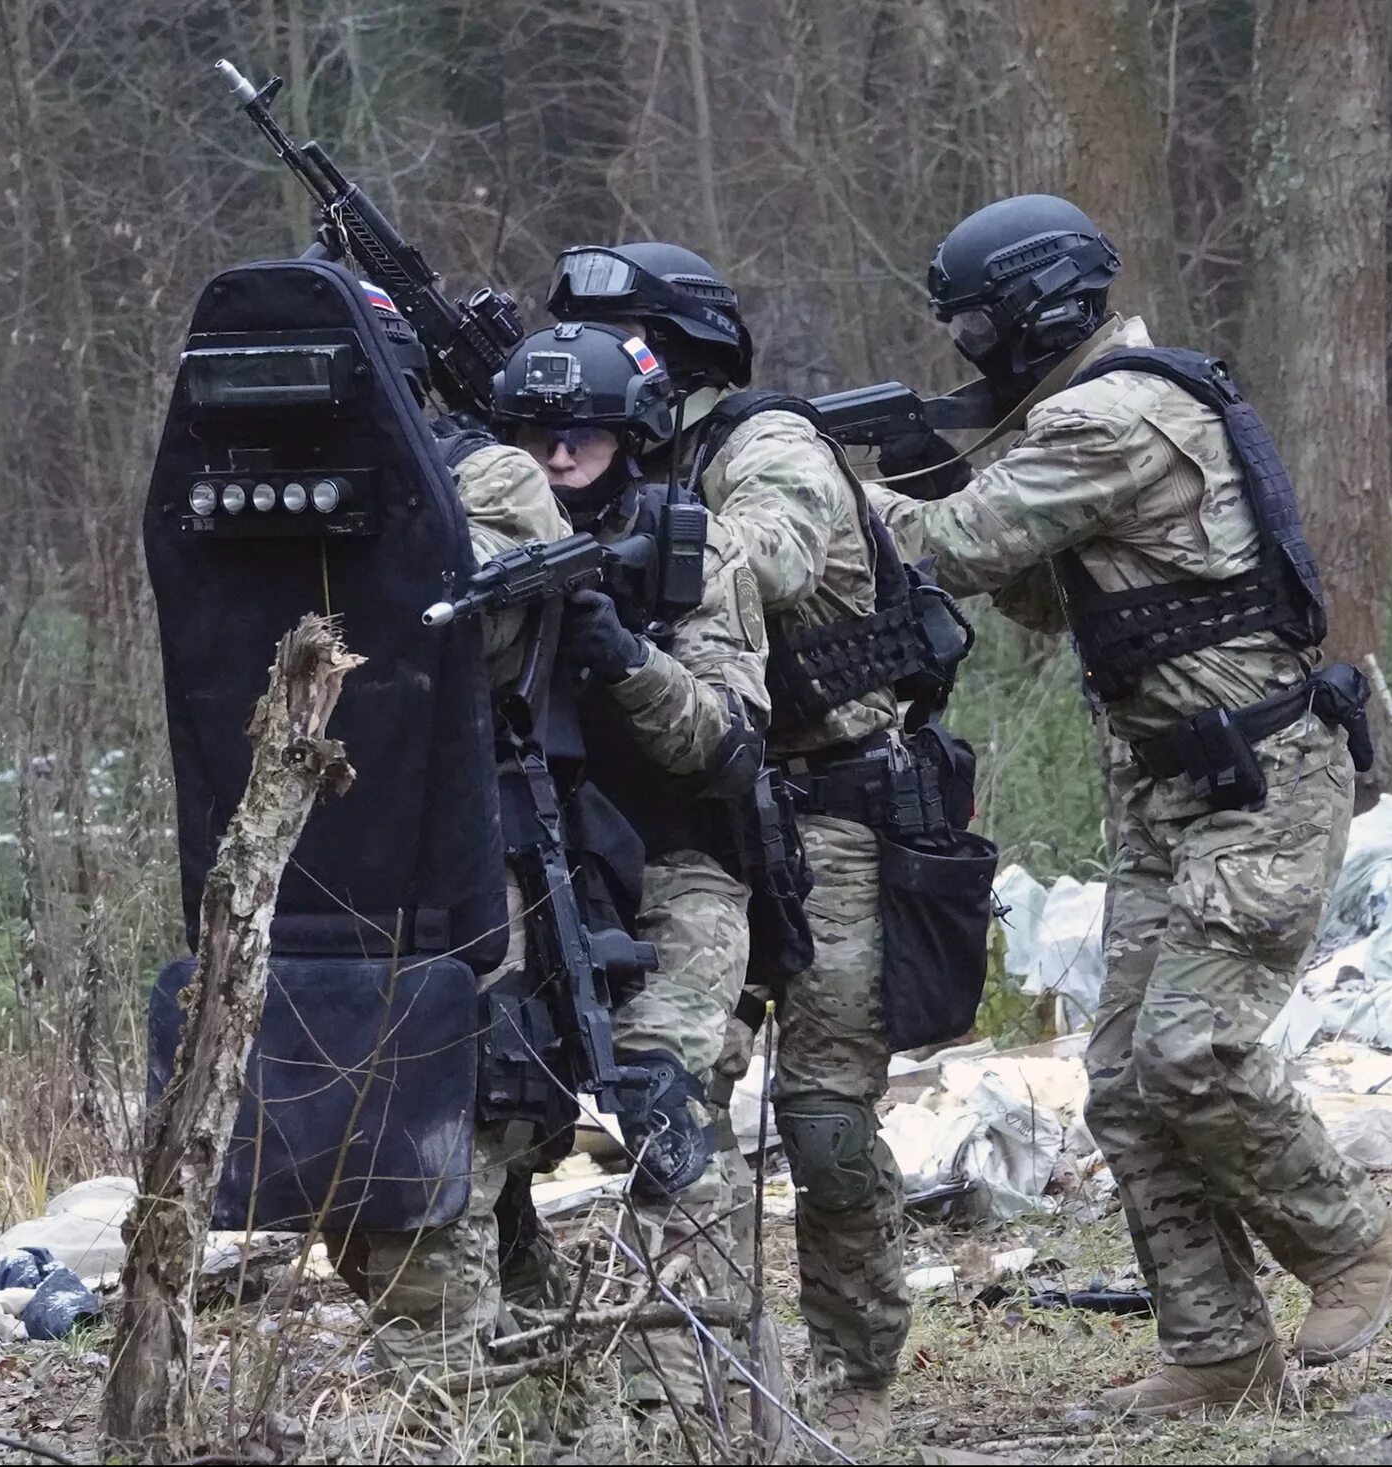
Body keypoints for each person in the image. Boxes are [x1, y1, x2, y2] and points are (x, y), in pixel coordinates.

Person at [869, 194, 1392, 1418]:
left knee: (1192, 1051)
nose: (966, 348)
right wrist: (919, 471)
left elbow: (952, 548)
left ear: (1033, 310)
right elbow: (1042, 600)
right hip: (1173, 785)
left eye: (973, 324)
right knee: (1121, 1084)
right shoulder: (1091, 415)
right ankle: (1219, 1350)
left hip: (1259, 784)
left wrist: (833, 487)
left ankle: (1350, 1244)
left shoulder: (1117, 414)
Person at [544, 241, 974, 1456]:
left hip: (840, 814)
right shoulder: (619, 460)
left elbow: (768, 556)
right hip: (703, 821)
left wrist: (623, 542)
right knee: (678, 1106)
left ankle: (857, 1376)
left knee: (828, 1119)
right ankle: (705, 1384)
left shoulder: (763, 447)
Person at [469, 319, 773, 1425]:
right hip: (532, 868)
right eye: (537, 437)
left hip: (678, 868)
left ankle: (686, 1406)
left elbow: (726, 745)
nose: (557, 459)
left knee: (660, 1104)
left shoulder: (691, 546)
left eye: (583, 439)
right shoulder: (477, 537)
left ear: (632, 437)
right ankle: (538, 1376)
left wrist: (623, 656)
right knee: (482, 1122)